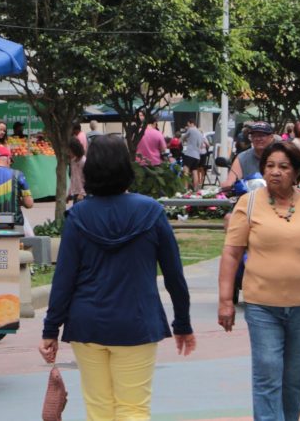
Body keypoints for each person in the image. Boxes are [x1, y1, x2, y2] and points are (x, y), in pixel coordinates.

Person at [39, 135, 195, 420]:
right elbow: (174, 275)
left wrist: (51, 330)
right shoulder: (151, 212)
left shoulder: (78, 217)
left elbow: (64, 279)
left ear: (90, 171)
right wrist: (182, 322)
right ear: (127, 167)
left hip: (88, 324)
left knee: (99, 410)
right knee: (134, 409)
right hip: (137, 321)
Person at [218, 141, 300, 421]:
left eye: (283, 167)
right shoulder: (248, 204)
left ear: (297, 172)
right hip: (263, 307)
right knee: (267, 375)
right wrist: (226, 301)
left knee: (294, 379)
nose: (275, 172)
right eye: (270, 166)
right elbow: (231, 254)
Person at [222, 122, 277, 189]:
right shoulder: (243, 157)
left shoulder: (280, 155)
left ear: (271, 137)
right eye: (254, 136)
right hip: (249, 197)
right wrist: (227, 185)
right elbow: (231, 181)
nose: (258, 139)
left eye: (262, 135)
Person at [181, 119, 208, 191]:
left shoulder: (191, 129)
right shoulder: (200, 133)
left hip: (189, 154)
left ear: (191, 123)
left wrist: (183, 141)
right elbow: (202, 144)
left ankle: (185, 188)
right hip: (197, 156)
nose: (188, 126)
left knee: (186, 171)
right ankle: (196, 188)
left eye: (188, 124)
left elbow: (183, 137)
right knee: (194, 171)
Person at [67, 137, 86, 203]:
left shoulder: (84, 161)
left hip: (84, 195)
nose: (68, 153)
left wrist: (82, 193)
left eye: (70, 151)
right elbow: (73, 178)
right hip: (76, 193)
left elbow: (88, 179)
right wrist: (69, 193)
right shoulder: (73, 161)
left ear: (75, 150)